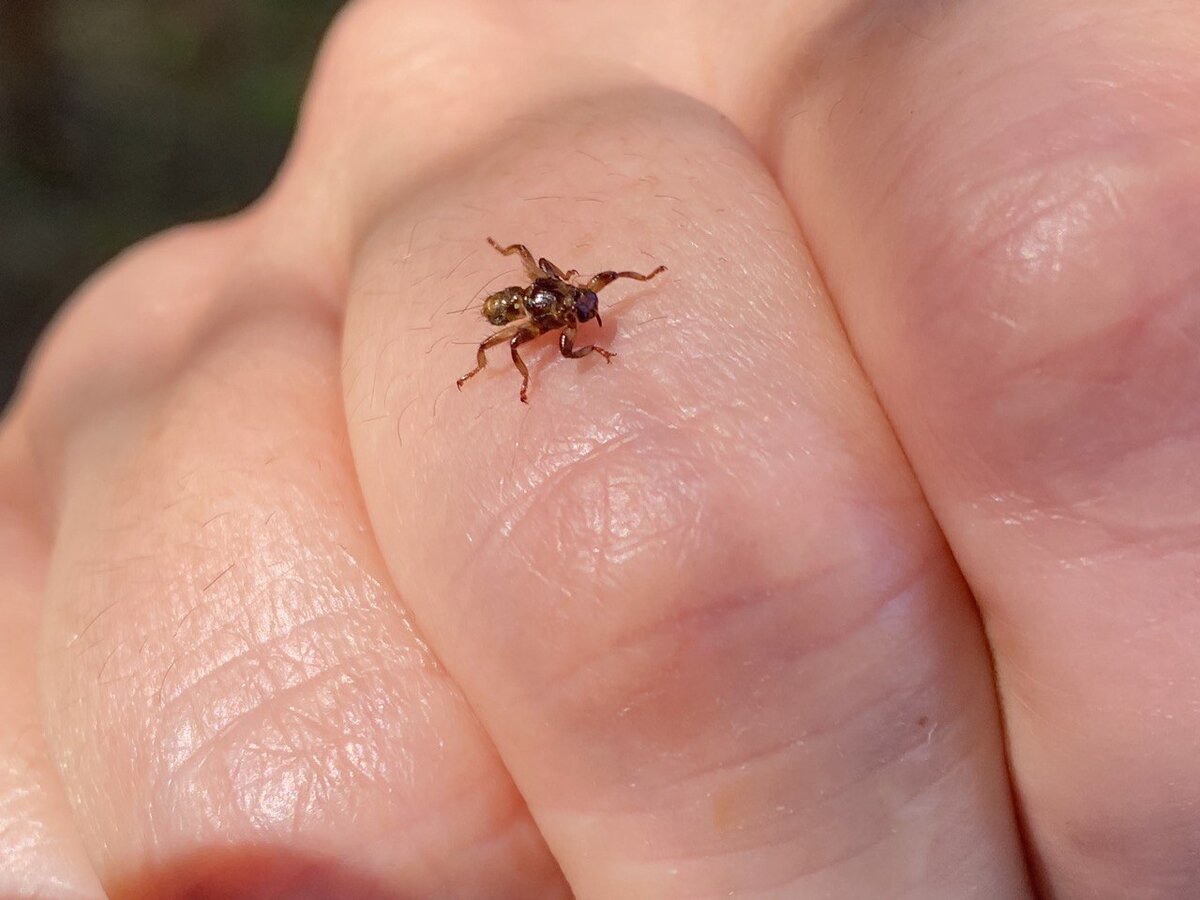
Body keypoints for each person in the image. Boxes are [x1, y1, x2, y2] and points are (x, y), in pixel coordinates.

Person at [1, 1, 1197, 896]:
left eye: (575, 314)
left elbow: (561, 280)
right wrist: (524, 355)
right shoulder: (535, 324)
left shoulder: (572, 293)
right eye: (573, 314)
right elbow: (524, 305)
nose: (580, 315)